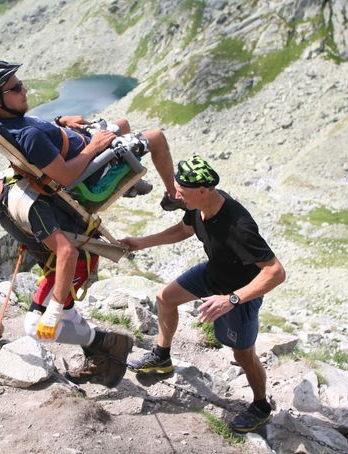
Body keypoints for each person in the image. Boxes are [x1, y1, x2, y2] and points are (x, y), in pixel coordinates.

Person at [0, 168, 133, 388]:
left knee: (35, 325)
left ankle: (110, 343)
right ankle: (101, 358)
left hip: (74, 262)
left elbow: (67, 252)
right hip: (61, 261)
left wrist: (53, 311)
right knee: (66, 313)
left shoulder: (23, 205)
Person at [120, 155, 286, 432]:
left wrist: (231, 299)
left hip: (239, 294)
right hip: (213, 273)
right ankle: (162, 356)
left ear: (203, 190)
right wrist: (141, 243)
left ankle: (260, 405)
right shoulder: (197, 206)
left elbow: (276, 272)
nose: (176, 196)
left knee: (242, 356)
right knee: (165, 298)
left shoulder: (239, 226)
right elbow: (184, 229)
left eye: (181, 192)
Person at [0, 60, 184, 211]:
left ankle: (131, 183)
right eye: (16, 88)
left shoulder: (11, 123)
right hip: (95, 166)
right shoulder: (30, 136)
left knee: (123, 124)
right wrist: (95, 146)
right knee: (156, 137)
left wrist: (61, 121)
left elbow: (43, 139)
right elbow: (66, 177)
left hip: (81, 146)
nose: (25, 91)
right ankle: (173, 196)